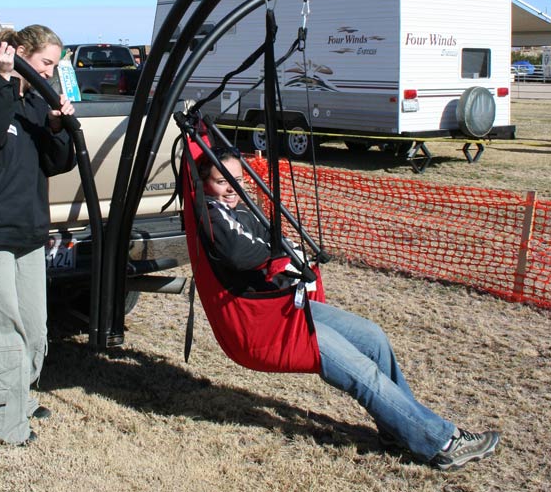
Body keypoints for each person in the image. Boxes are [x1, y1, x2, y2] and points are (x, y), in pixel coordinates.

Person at [197, 147, 500, 470]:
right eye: (221, 181)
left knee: (373, 337)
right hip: (265, 327)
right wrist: (279, 255)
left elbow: (275, 242)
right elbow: (239, 253)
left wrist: (291, 253)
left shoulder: (243, 212)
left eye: (238, 180)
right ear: (204, 184)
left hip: (286, 308)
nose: (232, 188)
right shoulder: (213, 216)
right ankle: (441, 441)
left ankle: (396, 431)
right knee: (362, 371)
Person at [0, 25, 77, 445]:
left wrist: (59, 126)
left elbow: (57, 162)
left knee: (32, 323)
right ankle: (0, 419)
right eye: (45, 63)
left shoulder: (32, 106)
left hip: (28, 230)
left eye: (54, 66)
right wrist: (1, 78)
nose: (50, 72)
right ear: (21, 54)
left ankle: (19, 397)